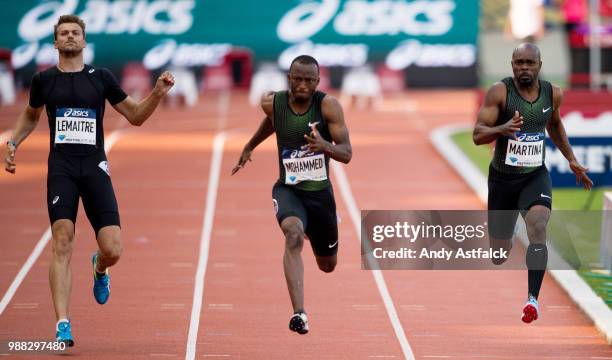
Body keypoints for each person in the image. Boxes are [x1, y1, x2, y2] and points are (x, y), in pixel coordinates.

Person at [3, 15, 174, 346]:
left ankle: (99, 268)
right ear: (55, 42)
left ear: (83, 42)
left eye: (75, 33)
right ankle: (62, 323)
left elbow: (136, 116)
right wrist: (13, 142)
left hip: (94, 166)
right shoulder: (43, 80)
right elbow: (30, 114)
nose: (69, 37)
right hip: (62, 168)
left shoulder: (101, 78)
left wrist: (156, 93)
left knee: (113, 248)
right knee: (62, 240)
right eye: (63, 33)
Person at [473, 43, 592, 323]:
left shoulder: (553, 93)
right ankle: (509, 224)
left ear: (539, 64)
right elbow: (478, 134)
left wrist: (571, 159)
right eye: (518, 63)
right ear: (511, 64)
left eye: (529, 63)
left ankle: (532, 300)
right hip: (502, 180)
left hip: (534, 176)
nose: (524, 68)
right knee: (499, 254)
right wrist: (501, 129)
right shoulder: (500, 92)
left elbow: (554, 124)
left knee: (538, 224)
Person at [232, 55, 352, 334]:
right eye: (297, 78)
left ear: (317, 82)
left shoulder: (328, 107)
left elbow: (347, 153)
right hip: (288, 190)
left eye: (309, 80)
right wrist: (250, 145)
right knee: (294, 235)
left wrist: (324, 145)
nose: (302, 84)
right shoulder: (271, 102)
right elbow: (273, 121)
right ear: (289, 78)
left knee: (328, 266)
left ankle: (316, 227)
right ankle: (299, 313)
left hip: (320, 195)